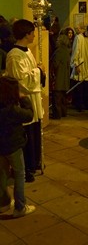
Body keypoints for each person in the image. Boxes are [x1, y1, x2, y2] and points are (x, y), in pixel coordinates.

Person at [6, 19, 45, 182]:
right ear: (26, 34)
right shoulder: (14, 55)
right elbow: (21, 81)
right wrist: (38, 71)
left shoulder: (26, 51)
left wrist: (37, 71)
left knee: (34, 132)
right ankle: (26, 169)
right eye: (32, 33)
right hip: (24, 99)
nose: (34, 35)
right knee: (26, 136)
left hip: (33, 98)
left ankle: (34, 163)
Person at [0, 76, 36, 218]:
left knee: (2, 174)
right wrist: (23, 98)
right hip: (13, 146)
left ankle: (3, 204)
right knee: (19, 174)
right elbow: (29, 115)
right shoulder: (12, 110)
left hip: (0, 146)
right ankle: (20, 207)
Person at [50, 33, 71, 119]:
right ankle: (63, 112)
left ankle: (57, 114)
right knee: (63, 98)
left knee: (57, 99)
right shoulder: (67, 51)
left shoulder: (58, 51)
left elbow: (55, 64)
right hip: (65, 79)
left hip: (58, 78)